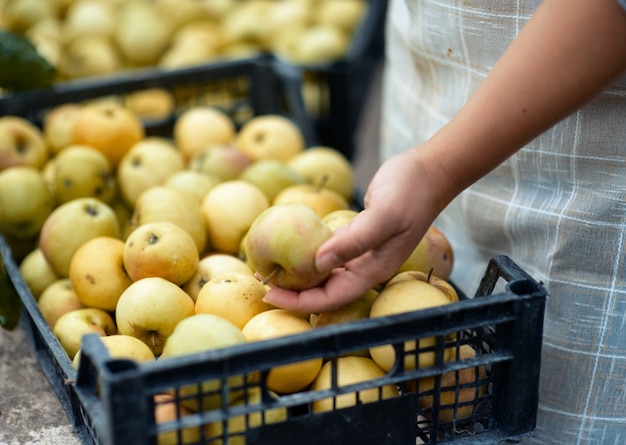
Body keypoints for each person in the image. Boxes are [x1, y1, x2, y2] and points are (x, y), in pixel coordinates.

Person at [264, 0, 626, 443]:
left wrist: (437, 171)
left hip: (565, 198)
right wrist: (430, 172)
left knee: (525, 410)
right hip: (426, 142)